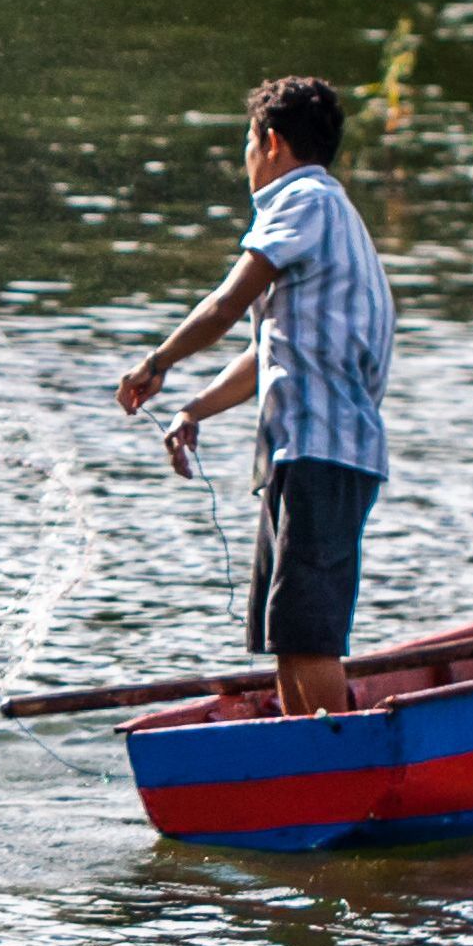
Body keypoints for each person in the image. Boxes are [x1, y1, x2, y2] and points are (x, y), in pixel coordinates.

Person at [115, 75, 395, 717]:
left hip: (324, 453)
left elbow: (225, 303)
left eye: (248, 140)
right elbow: (261, 354)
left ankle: (335, 766)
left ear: (271, 142)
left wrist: (157, 361)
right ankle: (305, 759)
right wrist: (192, 409)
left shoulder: (303, 201)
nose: (246, 157)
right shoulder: (332, 216)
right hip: (310, 454)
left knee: (310, 634)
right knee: (288, 634)